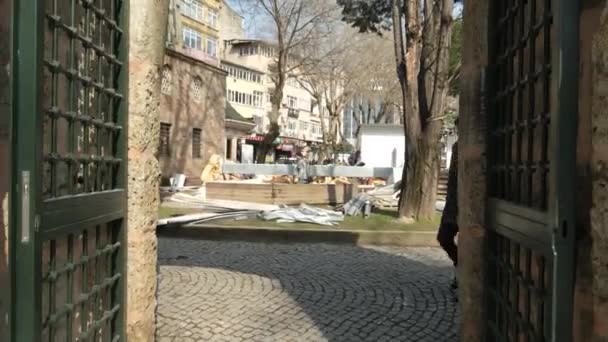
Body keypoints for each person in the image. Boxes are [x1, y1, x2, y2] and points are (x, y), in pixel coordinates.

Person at [437, 119, 459, 289]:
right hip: (453, 203)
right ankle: (460, 264)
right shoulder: (458, 147)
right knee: (443, 237)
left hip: (466, 203)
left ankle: (460, 276)